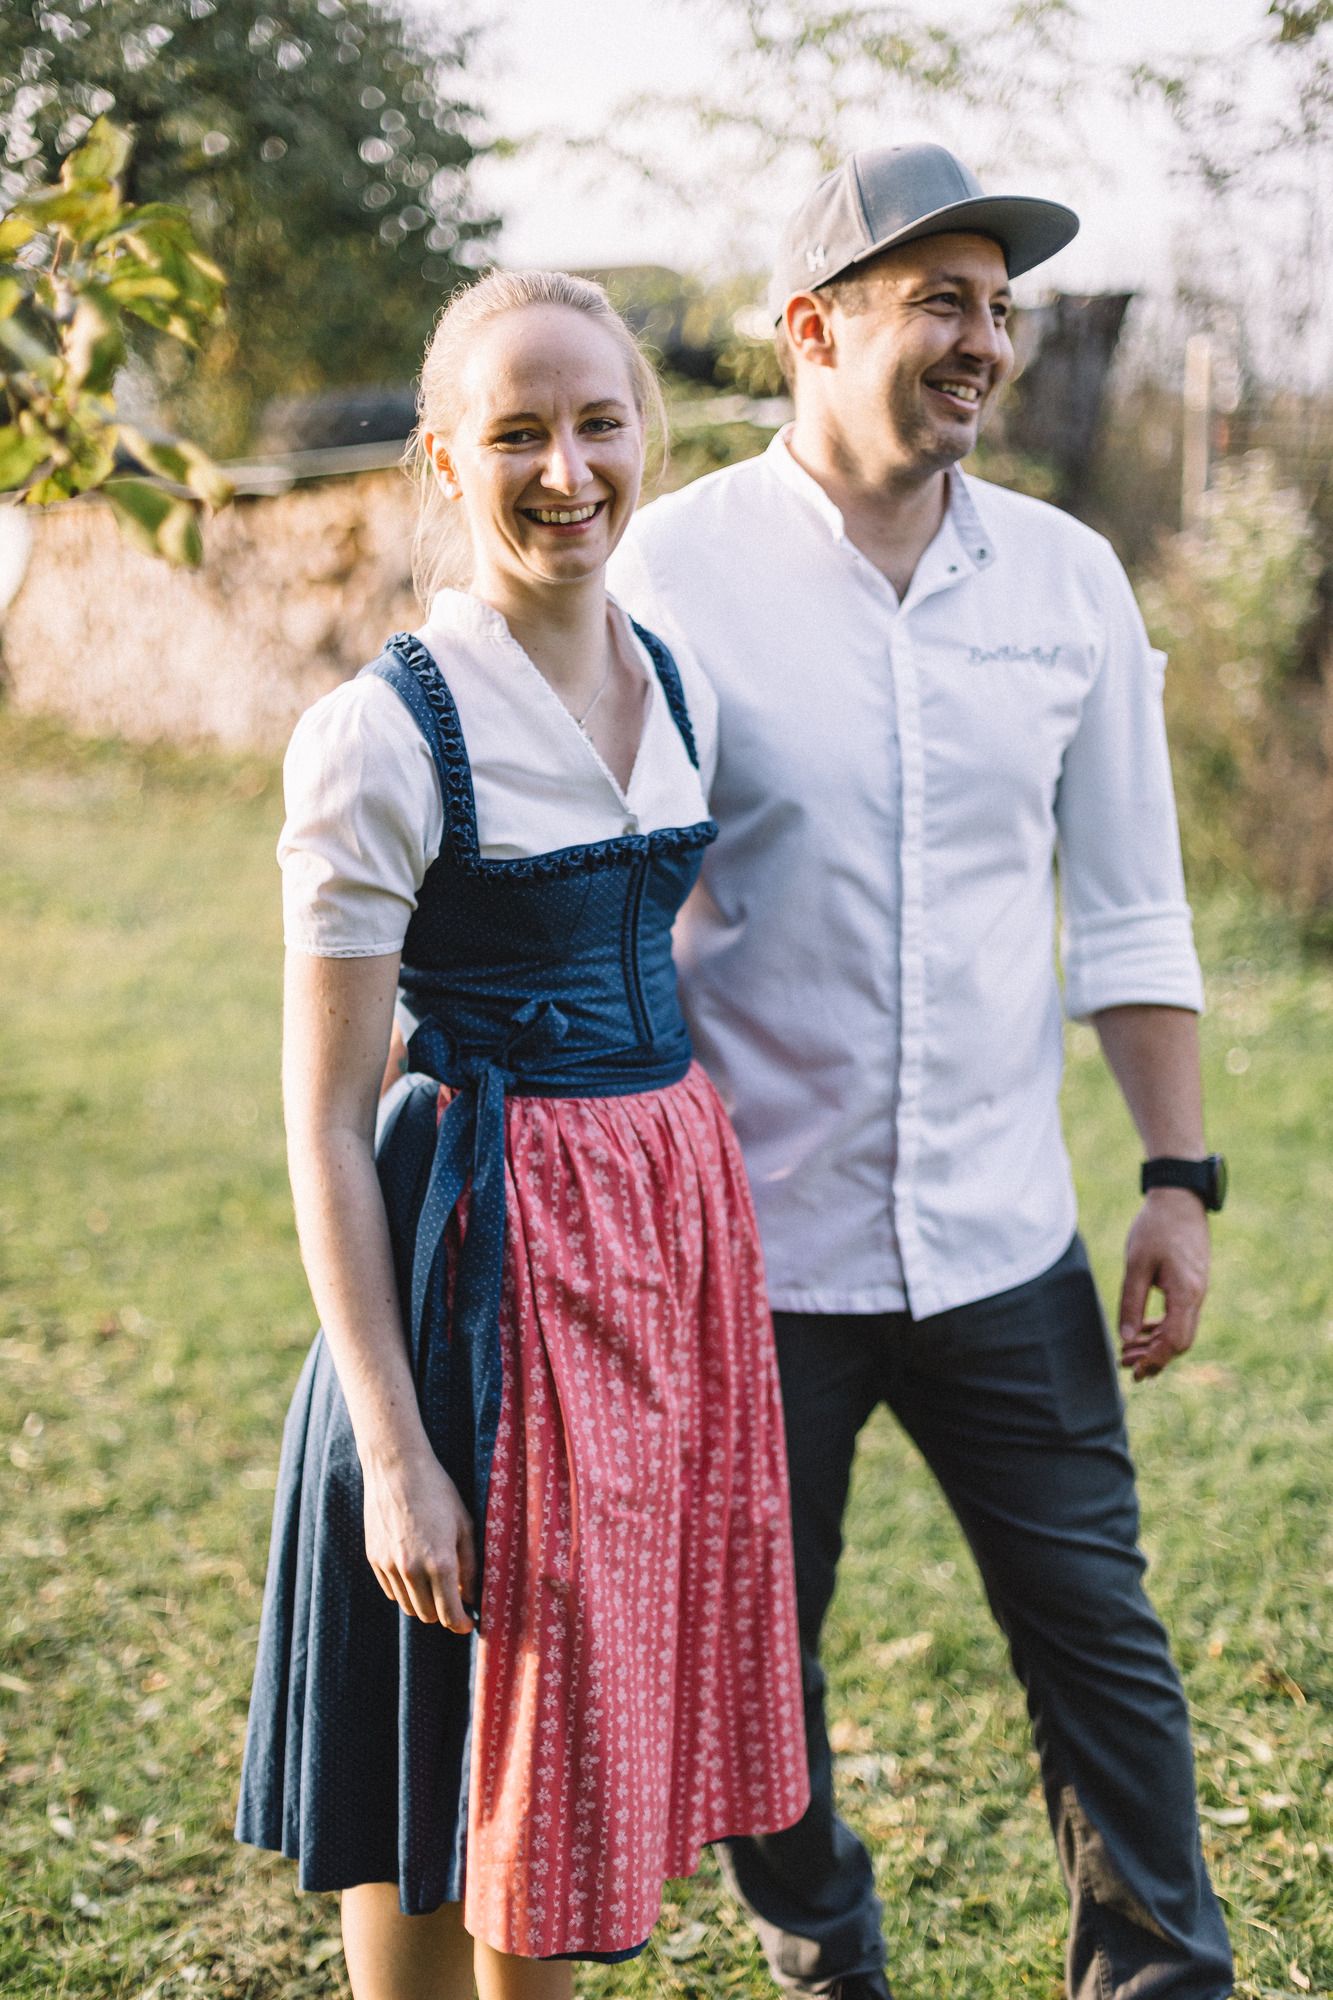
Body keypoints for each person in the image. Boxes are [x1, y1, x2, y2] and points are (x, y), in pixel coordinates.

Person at [609, 143, 1234, 2000]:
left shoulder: (1065, 580)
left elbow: (1131, 909)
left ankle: (1157, 1979)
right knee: (745, 1669)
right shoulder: (673, 567)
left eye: (997, 308)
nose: (984, 342)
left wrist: (1176, 1178)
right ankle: (820, 1935)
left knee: (1097, 1641)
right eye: (939, 303)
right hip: (750, 1253)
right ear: (814, 328)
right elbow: (614, 908)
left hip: (1000, 1242)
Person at [234, 268, 808, 1999]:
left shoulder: (684, 686)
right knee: (448, 1729)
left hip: (652, 1265)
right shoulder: (380, 736)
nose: (565, 470)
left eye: (596, 423)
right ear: (440, 458)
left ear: (644, 429)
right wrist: (398, 1454)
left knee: (566, 1738)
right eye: (514, 434)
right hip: (467, 1288)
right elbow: (327, 1118)